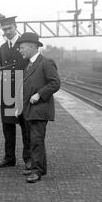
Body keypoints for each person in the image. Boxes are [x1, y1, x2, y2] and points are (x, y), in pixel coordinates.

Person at [16, 32, 61, 183]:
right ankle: (38, 167)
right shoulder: (28, 65)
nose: (20, 50)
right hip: (29, 109)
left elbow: (55, 83)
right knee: (32, 140)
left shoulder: (46, 63)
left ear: (32, 47)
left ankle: (37, 171)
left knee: (36, 140)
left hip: (39, 109)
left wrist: (39, 95)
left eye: (22, 48)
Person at [0, 16, 31, 174]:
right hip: (7, 93)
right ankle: (9, 157)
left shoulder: (25, 45)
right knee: (8, 127)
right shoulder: (2, 48)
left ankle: (28, 158)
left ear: (15, 27)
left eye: (9, 28)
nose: (7, 31)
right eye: (4, 29)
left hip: (23, 92)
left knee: (25, 127)